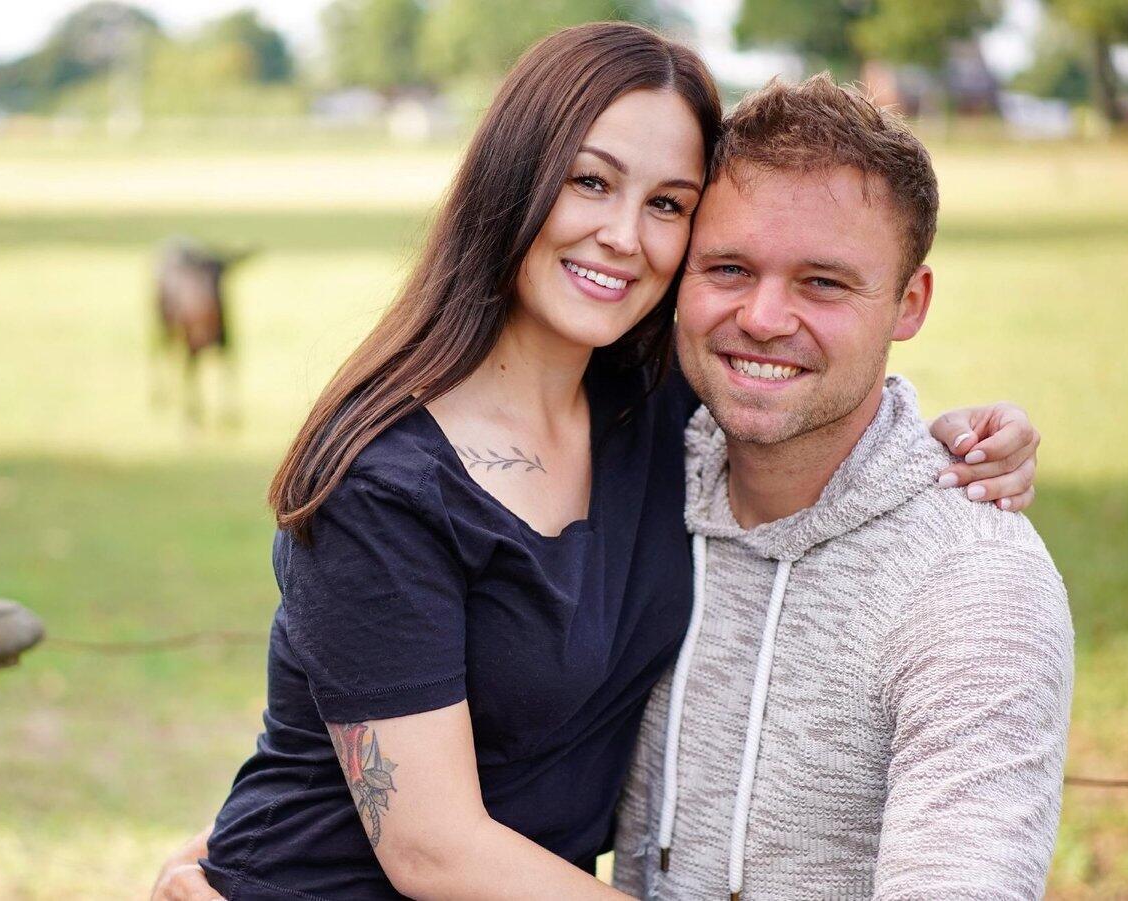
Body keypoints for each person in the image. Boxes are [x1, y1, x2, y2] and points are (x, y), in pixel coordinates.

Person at [152, 23, 1042, 901]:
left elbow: (809, 397)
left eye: (668, 204)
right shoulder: (383, 482)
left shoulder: (660, 412)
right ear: (514, 178)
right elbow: (431, 849)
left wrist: (944, 444)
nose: (624, 235)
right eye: (591, 182)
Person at [610, 76, 1073, 900]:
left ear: (909, 302)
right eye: (729, 267)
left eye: (823, 282)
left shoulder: (974, 583)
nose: (763, 317)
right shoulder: (634, 477)